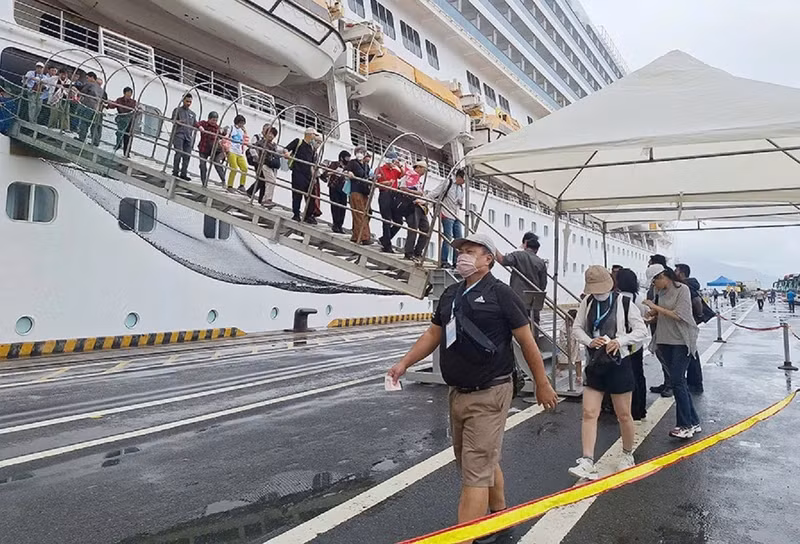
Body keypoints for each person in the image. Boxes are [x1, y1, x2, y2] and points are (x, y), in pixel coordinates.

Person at [387, 233, 558, 542]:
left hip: (490, 391)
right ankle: (500, 513)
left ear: (488, 259)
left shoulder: (501, 294)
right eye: (460, 251)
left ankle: (465, 537)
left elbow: (526, 339)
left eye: (469, 251)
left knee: (474, 472)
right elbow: (433, 333)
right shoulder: (451, 293)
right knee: (477, 460)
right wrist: (404, 363)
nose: (462, 256)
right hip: (457, 393)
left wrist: (542, 384)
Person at [568, 266, 648, 480]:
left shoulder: (624, 302)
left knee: (624, 414)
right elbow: (577, 328)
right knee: (589, 413)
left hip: (619, 362)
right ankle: (586, 460)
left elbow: (641, 330)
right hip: (595, 363)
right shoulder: (587, 302)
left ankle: (627, 454)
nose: (598, 292)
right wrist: (588, 341)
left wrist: (619, 341)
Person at [644, 264, 701, 439]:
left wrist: (655, 306)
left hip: (680, 341)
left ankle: (684, 425)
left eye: (655, 282)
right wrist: (652, 315)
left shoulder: (682, 289)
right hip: (664, 340)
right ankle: (693, 421)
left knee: (677, 381)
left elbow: (680, 315)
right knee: (679, 382)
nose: (654, 286)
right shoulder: (659, 293)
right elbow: (662, 314)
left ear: (663, 277)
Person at [615, 268, 649, 421]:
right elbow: (646, 317)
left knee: (621, 377)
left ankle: (623, 409)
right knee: (638, 375)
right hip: (637, 343)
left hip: (620, 344)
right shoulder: (640, 298)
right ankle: (640, 409)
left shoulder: (616, 298)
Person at [496, 233, 548, 327]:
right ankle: (533, 340)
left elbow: (502, 260)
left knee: (517, 323)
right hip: (534, 300)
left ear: (525, 244)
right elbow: (543, 284)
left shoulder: (518, 255)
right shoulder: (541, 262)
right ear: (537, 249)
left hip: (518, 298)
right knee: (534, 325)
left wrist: (492, 248)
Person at [675, 263, 708, 393]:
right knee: (691, 352)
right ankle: (694, 382)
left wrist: (697, 316)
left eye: (676, 270)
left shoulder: (686, 286)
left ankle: (695, 384)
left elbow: (696, 301)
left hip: (688, 322)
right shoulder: (689, 285)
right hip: (690, 322)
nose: (674, 272)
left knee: (691, 353)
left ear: (682, 273)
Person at [426, 168, 465, 267]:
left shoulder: (461, 188)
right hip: (446, 213)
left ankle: (456, 262)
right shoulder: (448, 183)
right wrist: (425, 200)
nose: (464, 182)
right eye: (463, 180)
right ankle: (444, 260)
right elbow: (435, 192)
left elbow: (460, 202)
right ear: (459, 177)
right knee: (448, 237)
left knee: (459, 239)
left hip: (456, 215)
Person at [396, 160, 430, 262]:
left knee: (426, 229)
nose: (424, 172)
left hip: (420, 206)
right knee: (413, 229)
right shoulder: (408, 176)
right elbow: (402, 188)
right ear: (418, 167)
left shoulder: (418, 180)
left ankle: (418, 251)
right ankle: (409, 252)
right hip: (411, 205)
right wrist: (416, 193)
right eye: (424, 169)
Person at [285, 127, 318, 222]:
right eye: (313, 135)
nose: (314, 137)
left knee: (311, 196)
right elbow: (287, 148)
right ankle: (296, 214)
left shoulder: (311, 148)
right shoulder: (298, 142)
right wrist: (286, 153)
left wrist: (313, 177)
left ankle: (308, 215)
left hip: (307, 174)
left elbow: (312, 163)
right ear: (309, 134)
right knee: (297, 194)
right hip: (298, 172)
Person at [375, 150, 404, 252]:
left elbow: (402, 175)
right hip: (385, 194)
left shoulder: (395, 170)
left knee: (399, 221)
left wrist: (400, 165)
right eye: (393, 160)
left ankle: (385, 239)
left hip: (394, 195)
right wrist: (385, 183)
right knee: (386, 220)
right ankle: (387, 244)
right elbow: (375, 183)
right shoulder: (380, 170)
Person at [246, 124, 280, 207]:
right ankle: (266, 199)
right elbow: (252, 146)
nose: (271, 136)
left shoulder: (273, 145)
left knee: (267, 181)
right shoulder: (262, 142)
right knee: (270, 181)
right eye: (269, 133)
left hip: (270, 165)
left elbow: (279, 151)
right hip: (264, 164)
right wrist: (255, 156)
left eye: (273, 134)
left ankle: (264, 199)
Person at [346, 146, 372, 244]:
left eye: (362, 152)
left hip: (364, 191)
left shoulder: (366, 165)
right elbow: (346, 171)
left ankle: (356, 236)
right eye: (358, 152)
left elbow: (368, 175)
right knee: (359, 214)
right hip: (355, 190)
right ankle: (364, 237)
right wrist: (349, 173)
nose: (359, 154)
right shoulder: (352, 163)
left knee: (365, 214)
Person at [320, 150, 351, 233]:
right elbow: (324, 174)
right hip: (334, 187)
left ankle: (340, 225)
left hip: (344, 189)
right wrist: (334, 172)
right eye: (347, 158)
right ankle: (335, 224)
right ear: (341, 158)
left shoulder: (348, 167)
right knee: (335, 206)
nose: (348, 159)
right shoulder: (334, 164)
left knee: (343, 207)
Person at [170, 94, 197, 180]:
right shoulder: (177, 110)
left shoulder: (192, 114)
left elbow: (195, 124)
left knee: (187, 155)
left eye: (190, 102)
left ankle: (183, 173)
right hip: (179, 134)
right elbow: (172, 120)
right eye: (187, 101)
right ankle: (175, 171)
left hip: (188, 136)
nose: (188, 103)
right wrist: (178, 121)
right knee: (179, 152)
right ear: (183, 100)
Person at [196, 111, 226, 185]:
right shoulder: (204, 124)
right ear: (209, 119)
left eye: (216, 120)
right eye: (213, 120)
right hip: (203, 147)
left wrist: (224, 131)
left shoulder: (217, 128)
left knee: (217, 163)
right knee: (202, 165)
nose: (214, 122)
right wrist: (200, 127)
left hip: (213, 149)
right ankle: (204, 181)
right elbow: (197, 123)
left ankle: (223, 180)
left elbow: (222, 135)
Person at [75, 71, 104, 146]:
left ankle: (82, 138)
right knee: (94, 126)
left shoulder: (90, 84)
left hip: (88, 106)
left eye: (88, 78)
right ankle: (95, 142)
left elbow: (82, 91)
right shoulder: (100, 89)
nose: (87, 79)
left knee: (84, 122)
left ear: (92, 78)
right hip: (97, 109)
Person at [106, 87, 137, 154]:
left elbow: (136, 110)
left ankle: (126, 152)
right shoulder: (119, 100)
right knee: (119, 133)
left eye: (130, 94)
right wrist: (107, 105)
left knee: (127, 136)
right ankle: (118, 145)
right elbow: (114, 105)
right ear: (124, 93)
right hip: (121, 119)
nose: (129, 96)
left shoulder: (133, 102)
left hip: (129, 121)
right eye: (127, 94)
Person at [557, 309, 583, 384]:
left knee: (578, 361)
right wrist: (566, 344)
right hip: (566, 347)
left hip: (575, 345)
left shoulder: (576, 326)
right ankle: (558, 369)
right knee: (564, 362)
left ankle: (579, 377)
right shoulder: (563, 328)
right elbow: (562, 339)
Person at [225, 114, 249, 192]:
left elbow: (245, 141)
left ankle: (242, 185)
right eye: (241, 123)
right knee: (234, 168)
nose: (242, 125)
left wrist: (245, 132)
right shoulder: (231, 128)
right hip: (232, 150)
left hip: (239, 152)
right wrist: (227, 148)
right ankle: (230, 185)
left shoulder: (242, 131)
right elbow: (226, 137)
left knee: (244, 168)